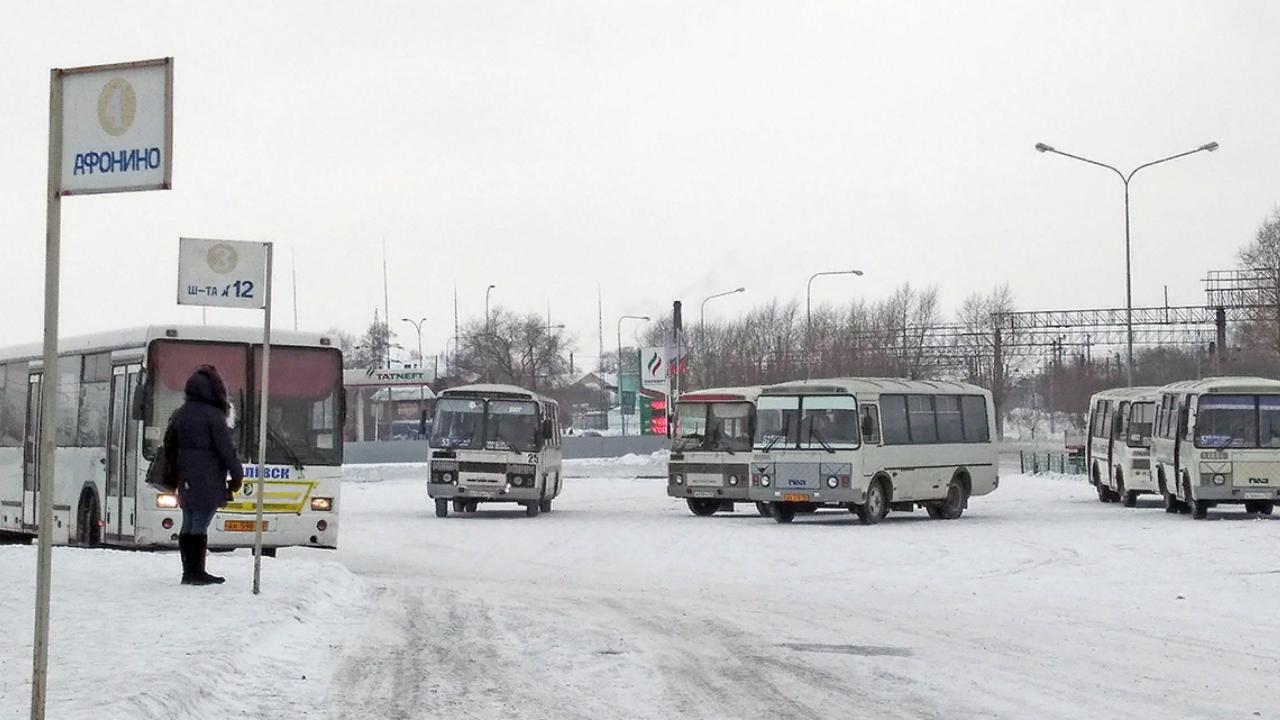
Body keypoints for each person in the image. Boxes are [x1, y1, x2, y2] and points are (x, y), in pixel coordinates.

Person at [168, 365, 244, 585]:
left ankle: (188, 572)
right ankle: (197, 572)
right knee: (200, 524)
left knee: (189, 521)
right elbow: (226, 449)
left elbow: (170, 445)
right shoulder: (213, 416)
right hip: (208, 479)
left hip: (186, 477)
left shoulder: (181, 413)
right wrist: (237, 475)